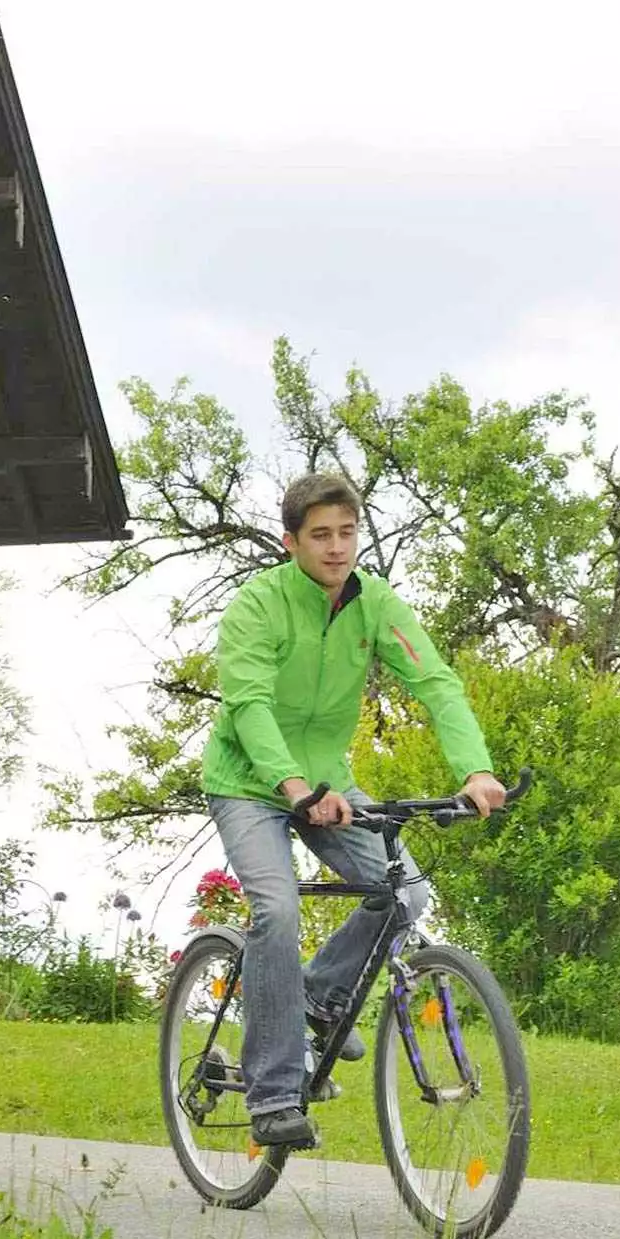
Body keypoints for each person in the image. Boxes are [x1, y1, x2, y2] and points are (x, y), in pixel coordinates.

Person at [201, 470, 506, 1152]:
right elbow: (248, 705)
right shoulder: (259, 606)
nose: (336, 548)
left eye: (346, 533)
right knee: (277, 909)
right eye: (320, 536)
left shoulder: (375, 605)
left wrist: (475, 769)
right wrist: (293, 789)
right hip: (249, 783)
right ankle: (275, 1093)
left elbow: (436, 684)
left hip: (329, 783)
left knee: (406, 892)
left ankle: (314, 999)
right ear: (291, 543)